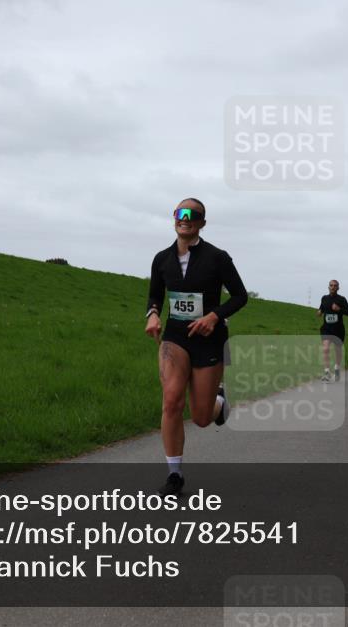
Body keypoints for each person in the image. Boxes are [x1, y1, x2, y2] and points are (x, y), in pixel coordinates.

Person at [145, 198, 248, 497]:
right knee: (172, 401)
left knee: (201, 418)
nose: (185, 218)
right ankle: (174, 476)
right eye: (180, 213)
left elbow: (240, 297)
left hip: (209, 338)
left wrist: (214, 316)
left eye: (193, 215)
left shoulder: (218, 258)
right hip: (176, 336)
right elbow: (154, 297)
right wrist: (152, 314)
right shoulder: (161, 259)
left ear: (202, 222)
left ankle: (219, 403)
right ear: (174, 218)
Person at [317, 279, 348, 382]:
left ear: (338, 288)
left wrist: (339, 309)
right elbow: (322, 309)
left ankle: (337, 369)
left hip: (338, 329)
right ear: (328, 287)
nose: (333, 287)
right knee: (326, 349)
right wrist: (319, 312)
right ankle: (327, 372)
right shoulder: (324, 298)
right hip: (326, 329)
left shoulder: (342, 299)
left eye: (335, 285)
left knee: (337, 350)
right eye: (331, 285)